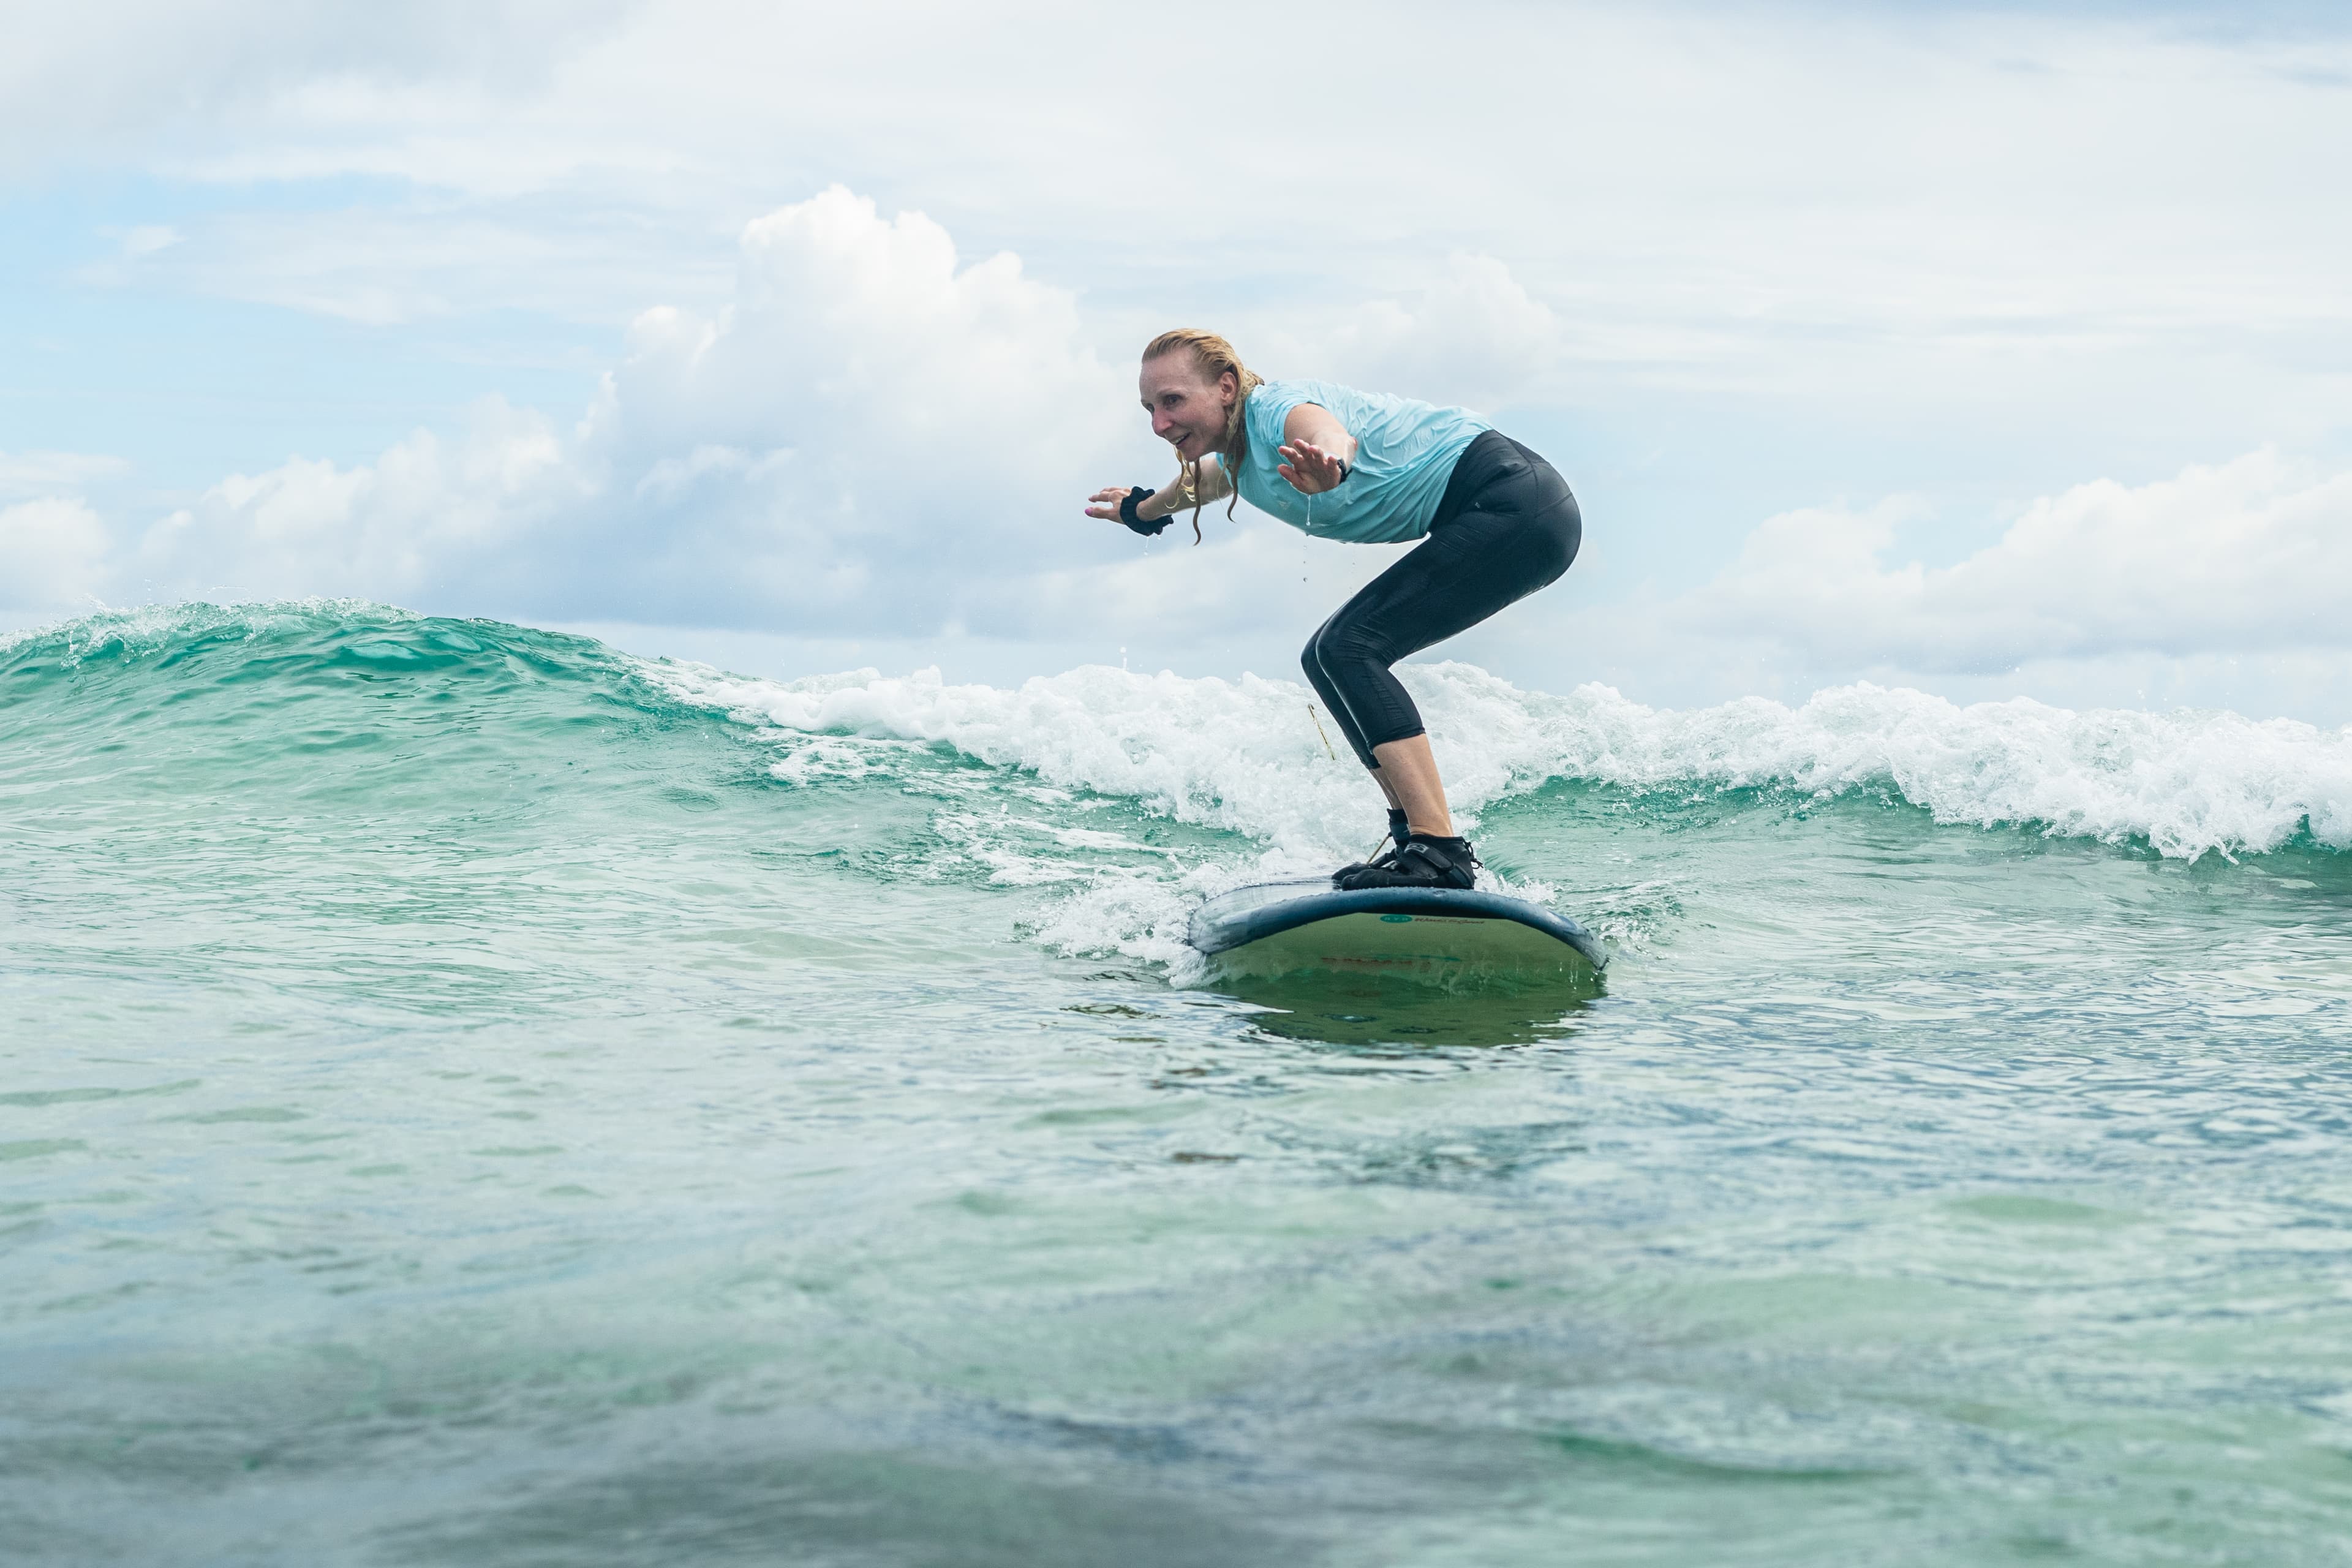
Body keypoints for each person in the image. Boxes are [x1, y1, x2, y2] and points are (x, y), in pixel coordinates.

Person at [1085, 329, 1581, 890]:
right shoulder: (1238, 451)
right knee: (1324, 656)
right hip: (1509, 509)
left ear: (1227, 388)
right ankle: (1415, 843)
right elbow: (1203, 482)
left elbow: (1325, 432)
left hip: (1516, 502)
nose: (1160, 424)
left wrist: (1332, 465)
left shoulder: (1274, 411)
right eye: (1150, 409)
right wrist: (1142, 510)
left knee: (1351, 648)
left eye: (1172, 401)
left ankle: (1440, 852)